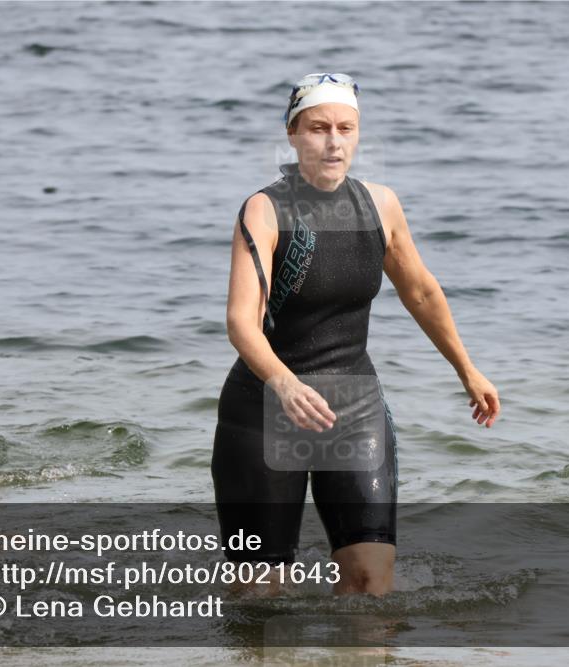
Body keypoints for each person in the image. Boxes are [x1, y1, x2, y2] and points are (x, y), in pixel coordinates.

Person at [212, 73, 501, 596]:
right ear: (293, 133)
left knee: (370, 580)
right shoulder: (265, 209)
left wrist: (467, 369)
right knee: (259, 592)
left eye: (345, 128)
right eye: (318, 128)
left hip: (354, 406)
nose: (333, 141)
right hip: (264, 407)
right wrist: (285, 383)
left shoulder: (380, 205)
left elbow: (421, 292)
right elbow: (241, 321)